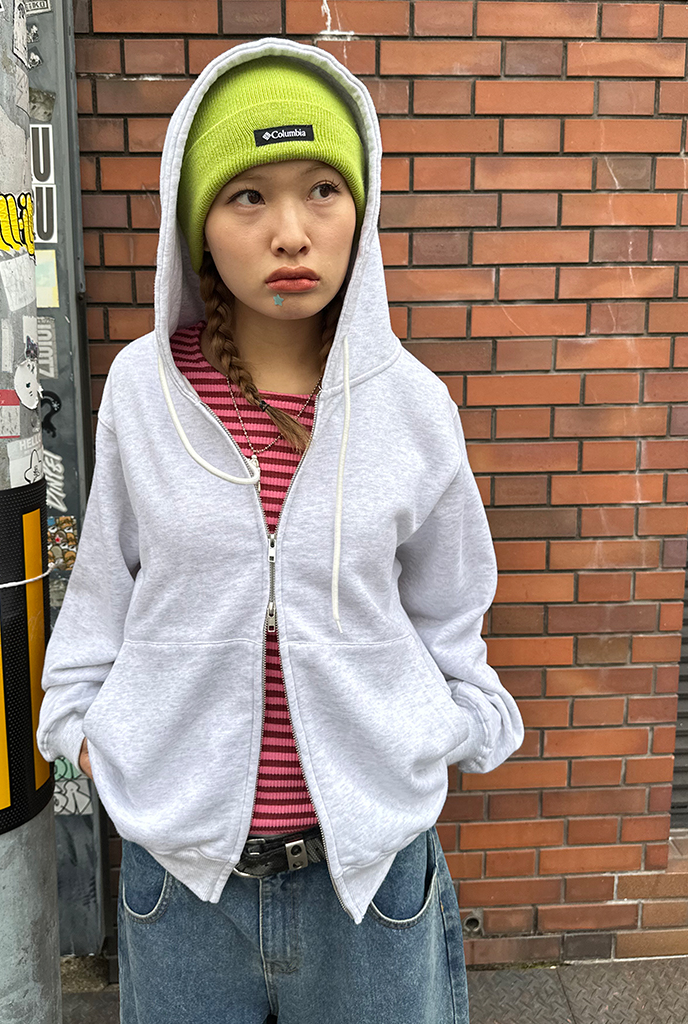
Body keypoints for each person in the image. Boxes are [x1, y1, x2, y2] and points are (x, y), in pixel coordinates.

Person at [37, 36, 524, 1024]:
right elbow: (105, 591)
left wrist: (451, 726)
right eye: (248, 196)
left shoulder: (412, 407)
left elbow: (451, 604)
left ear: (361, 209)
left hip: (368, 885)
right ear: (197, 223)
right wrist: (84, 728)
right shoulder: (143, 392)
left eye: (321, 191)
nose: (291, 232)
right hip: (182, 886)